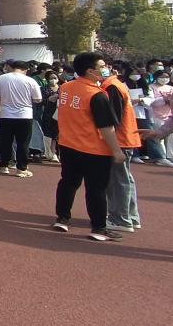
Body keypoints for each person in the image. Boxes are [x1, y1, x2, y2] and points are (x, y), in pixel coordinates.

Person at [52, 52, 125, 242]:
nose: (105, 69)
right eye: (102, 66)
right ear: (90, 71)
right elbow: (106, 127)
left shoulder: (65, 88)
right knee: (96, 189)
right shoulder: (97, 95)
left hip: (68, 144)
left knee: (68, 182)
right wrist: (116, 150)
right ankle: (99, 227)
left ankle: (62, 218)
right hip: (93, 149)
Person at [101, 65, 142, 233]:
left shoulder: (111, 87)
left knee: (118, 180)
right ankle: (131, 216)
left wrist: (112, 144)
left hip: (120, 140)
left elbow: (112, 119)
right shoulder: (116, 84)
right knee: (124, 179)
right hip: (125, 138)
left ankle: (120, 218)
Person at [0, 60, 43, 177]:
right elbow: (38, 99)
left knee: (5, 142)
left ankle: (3, 166)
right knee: (23, 142)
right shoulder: (30, 80)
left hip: (6, 115)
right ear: (25, 70)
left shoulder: (1, 78)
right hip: (25, 115)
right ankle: (21, 169)